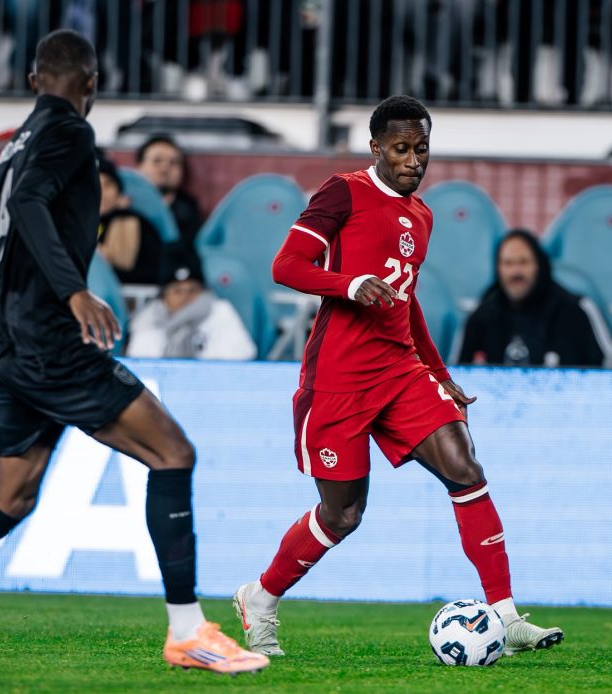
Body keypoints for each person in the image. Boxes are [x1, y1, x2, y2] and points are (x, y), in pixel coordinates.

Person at [0, 30, 267, 678]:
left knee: (11, 494)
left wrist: (15, 307)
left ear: (33, 79)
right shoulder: (71, 134)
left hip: (3, 342)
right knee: (173, 452)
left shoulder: (10, 150)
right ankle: (188, 631)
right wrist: (72, 292)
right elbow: (30, 205)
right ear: (92, 84)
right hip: (48, 344)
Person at [231, 95, 564, 658]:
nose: (414, 160)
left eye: (422, 149)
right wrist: (349, 284)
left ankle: (505, 616)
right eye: (402, 149)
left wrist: (439, 372)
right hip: (338, 379)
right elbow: (285, 266)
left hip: (400, 371)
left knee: (465, 467)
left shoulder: (422, 216)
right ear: (376, 148)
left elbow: (406, 305)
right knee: (343, 514)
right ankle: (260, 597)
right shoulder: (344, 192)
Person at [459, 229, 604, 368]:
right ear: (498, 268)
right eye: (508, 263)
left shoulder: (575, 312)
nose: (516, 272)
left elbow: (603, 375)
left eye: (523, 262)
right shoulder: (481, 316)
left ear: (539, 265)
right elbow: (457, 377)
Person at [126, 246, 257, 360]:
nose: (185, 297)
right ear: (163, 295)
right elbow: (140, 364)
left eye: (192, 290)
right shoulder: (149, 319)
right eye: (177, 291)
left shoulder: (219, 311)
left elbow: (242, 354)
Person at [97, 156, 165, 285]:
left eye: (108, 185)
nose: (102, 193)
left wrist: (104, 264)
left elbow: (149, 272)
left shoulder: (135, 223)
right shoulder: (73, 226)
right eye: (94, 184)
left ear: (119, 192)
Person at [136, 134, 205, 246]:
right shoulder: (127, 204)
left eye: (173, 163)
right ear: (140, 167)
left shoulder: (190, 210)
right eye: (157, 161)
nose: (164, 168)